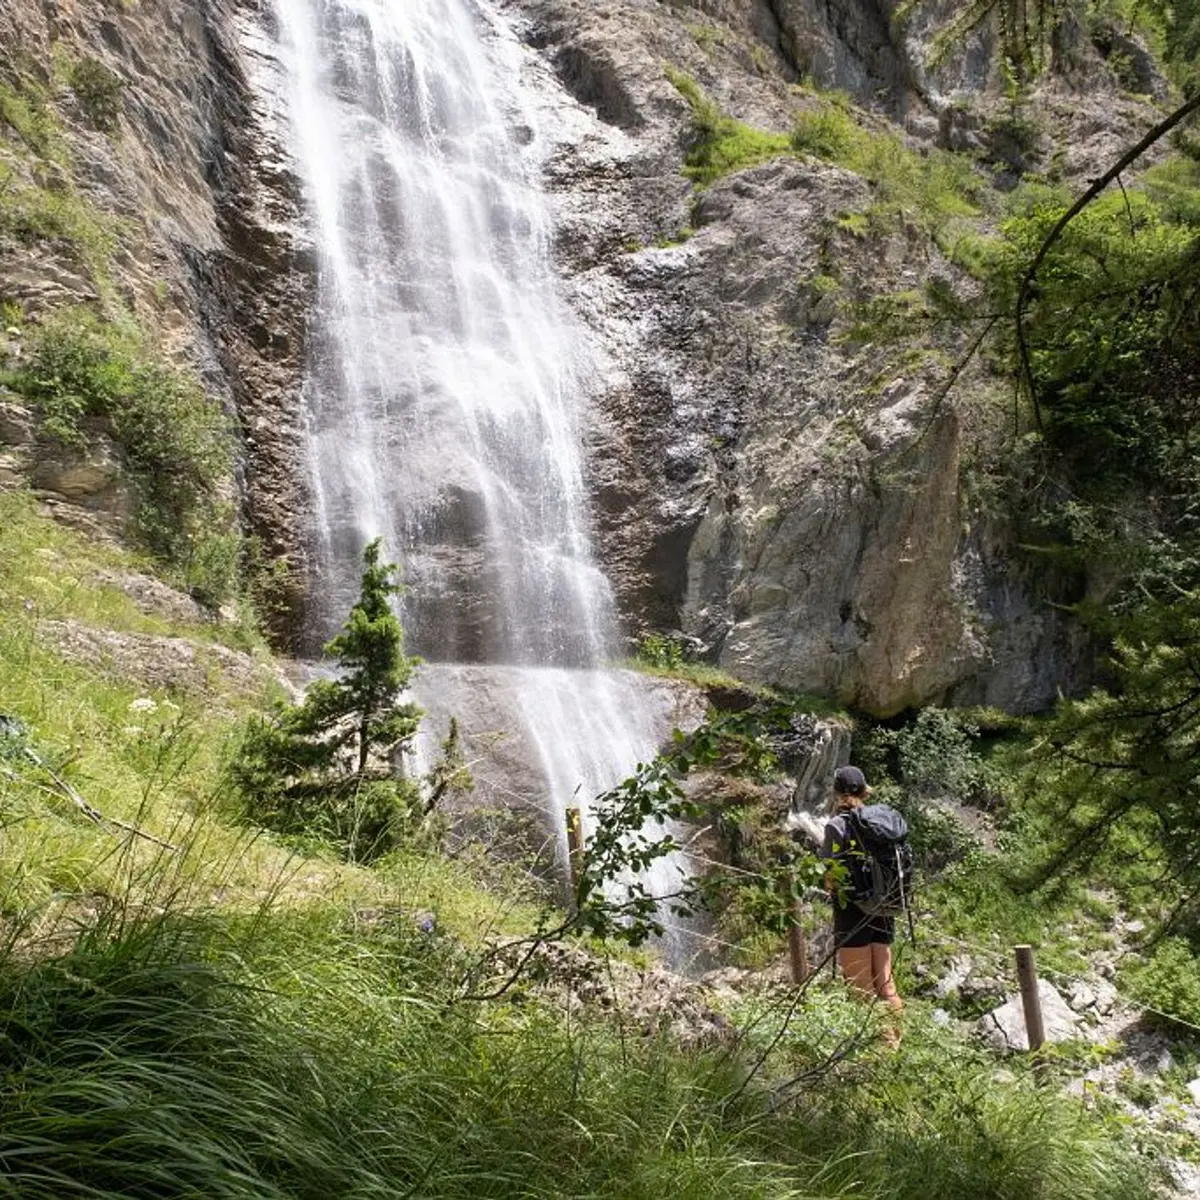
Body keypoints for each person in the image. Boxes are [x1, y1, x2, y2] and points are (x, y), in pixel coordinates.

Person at [822, 765, 903, 1037]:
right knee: (886, 985)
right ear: (865, 790)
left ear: (836, 793)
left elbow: (831, 876)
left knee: (861, 990)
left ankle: (881, 1055)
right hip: (883, 908)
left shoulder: (837, 826)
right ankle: (899, 1045)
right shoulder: (879, 822)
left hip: (851, 911)